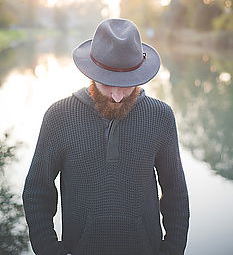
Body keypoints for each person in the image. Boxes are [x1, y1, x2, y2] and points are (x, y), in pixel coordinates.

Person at [22, 18, 190, 255]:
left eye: (127, 85)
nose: (118, 96)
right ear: (92, 73)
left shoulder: (161, 117)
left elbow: (176, 193)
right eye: (109, 84)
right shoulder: (58, 117)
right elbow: (36, 193)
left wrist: (171, 251)